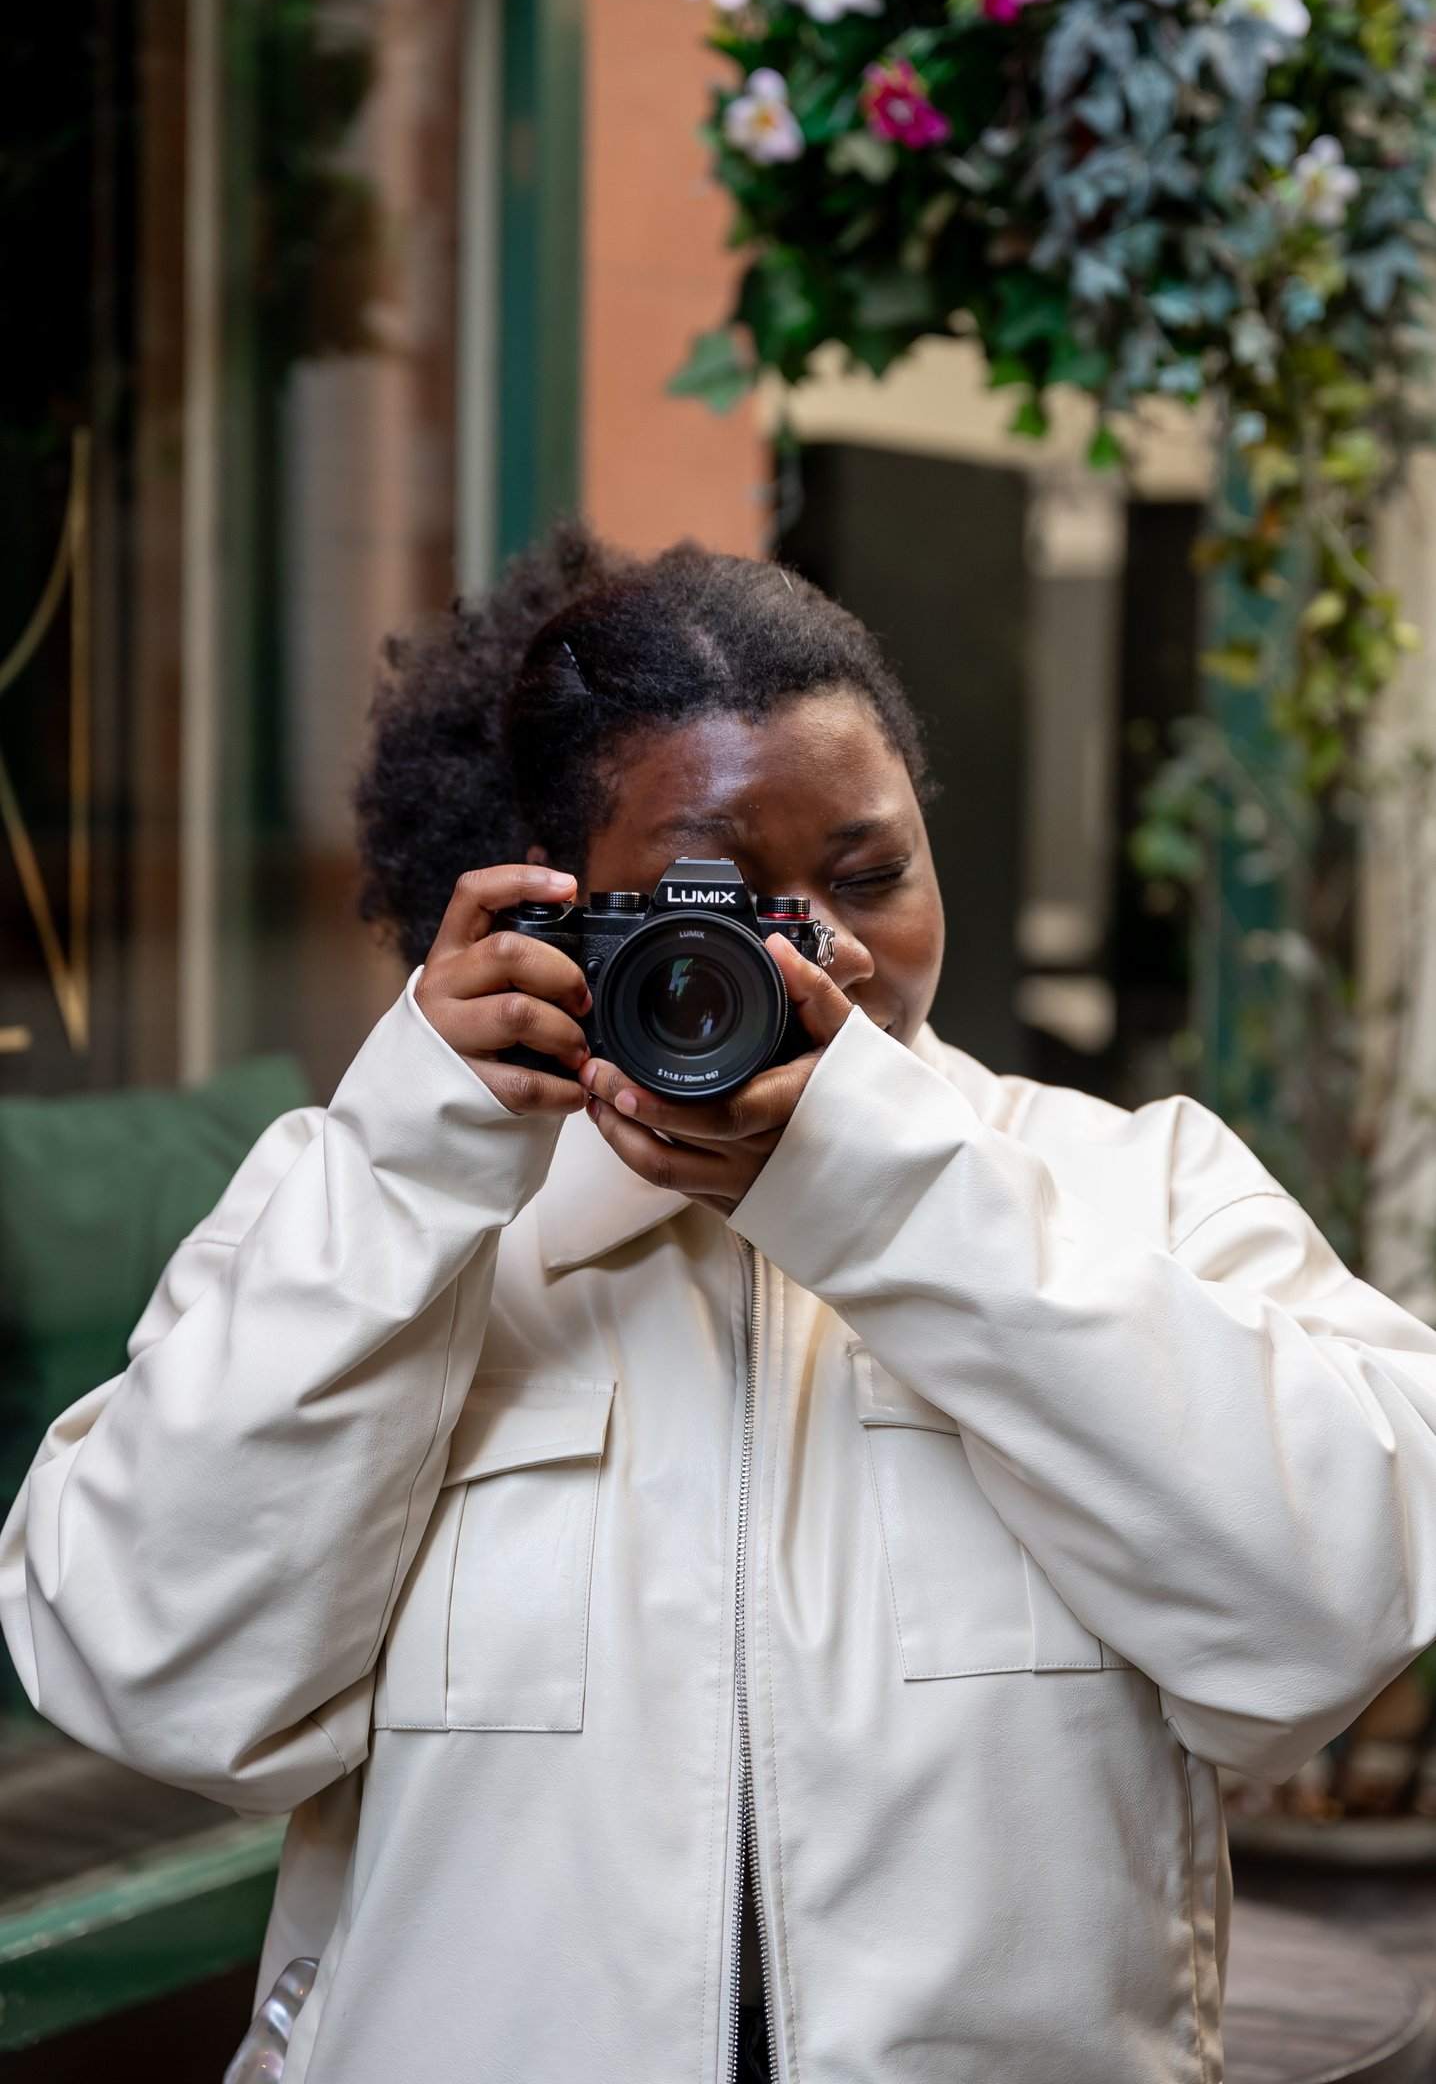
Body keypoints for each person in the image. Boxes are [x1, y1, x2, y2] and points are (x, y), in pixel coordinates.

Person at [5, 521, 1436, 2084]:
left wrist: (881, 1188)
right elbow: (154, 1680)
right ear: (562, 918)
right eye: (711, 903)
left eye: (871, 873)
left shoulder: (1137, 1187)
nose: (814, 950)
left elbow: (1332, 1624)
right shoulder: (367, 1202)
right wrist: (413, 1157)